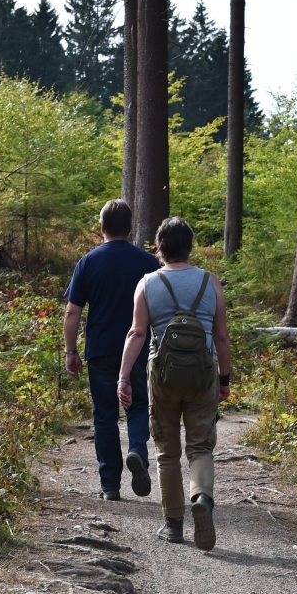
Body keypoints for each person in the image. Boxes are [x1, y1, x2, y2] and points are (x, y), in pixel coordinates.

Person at [117, 217, 231, 550]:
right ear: (190, 246)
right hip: (202, 373)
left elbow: (137, 333)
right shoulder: (210, 283)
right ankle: (202, 499)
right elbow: (221, 336)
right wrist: (224, 378)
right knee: (200, 446)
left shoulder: (147, 283)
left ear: (159, 247)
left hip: (162, 375)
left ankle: (173, 525)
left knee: (167, 452)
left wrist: (124, 378)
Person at [64, 199, 161, 500]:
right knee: (139, 406)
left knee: (104, 415)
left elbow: (72, 313)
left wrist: (71, 351)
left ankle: (110, 485)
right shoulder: (148, 263)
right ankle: (136, 451)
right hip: (139, 348)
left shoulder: (88, 262)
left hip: (101, 350)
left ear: (102, 227)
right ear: (130, 228)